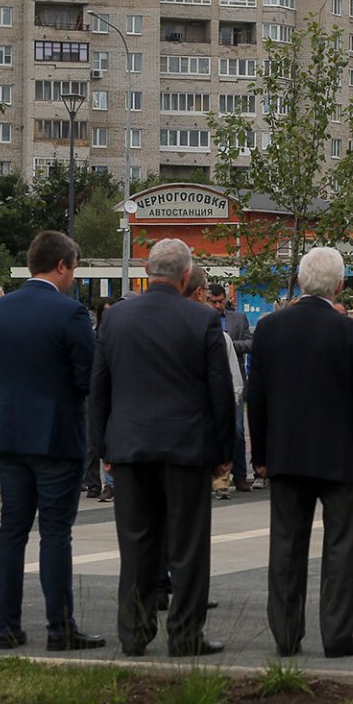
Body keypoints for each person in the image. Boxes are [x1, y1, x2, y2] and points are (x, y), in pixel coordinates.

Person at [90, 238, 235, 658]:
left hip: (130, 447)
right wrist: (223, 448)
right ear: (186, 276)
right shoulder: (202, 319)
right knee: (188, 545)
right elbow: (219, 391)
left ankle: (134, 633)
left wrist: (104, 446)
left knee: (136, 543)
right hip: (186, 447)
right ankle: (186, 634)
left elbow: (99, 388)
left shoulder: (115, 319)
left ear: (147, 270)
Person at [248, 246, 353, 658]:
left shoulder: (269, 328)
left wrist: (260, 455)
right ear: (341, 285)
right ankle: (337, 635)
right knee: (340, 546)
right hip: (340, 457)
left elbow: (258, 396)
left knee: (285, 545)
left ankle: (286, 636)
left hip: (285, 453)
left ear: (301, 282)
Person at [0, 231, 103, 652]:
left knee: (11, 531)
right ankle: (59, 628)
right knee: (55, 533)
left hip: (9, 433)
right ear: (64, 265)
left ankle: (7, 627)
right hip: (55, 435)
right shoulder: (70, 313)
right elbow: (86, 376)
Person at [206, 282, 255, 494]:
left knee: (237, 430)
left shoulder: (238, 319)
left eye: (220, 301)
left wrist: (227, 345)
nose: (218, 305)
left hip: (233, 380)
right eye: (213, 301)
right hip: (209, 382)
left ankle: (241, 475)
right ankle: (215, 477)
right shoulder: (202, 321)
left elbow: (250, 343)